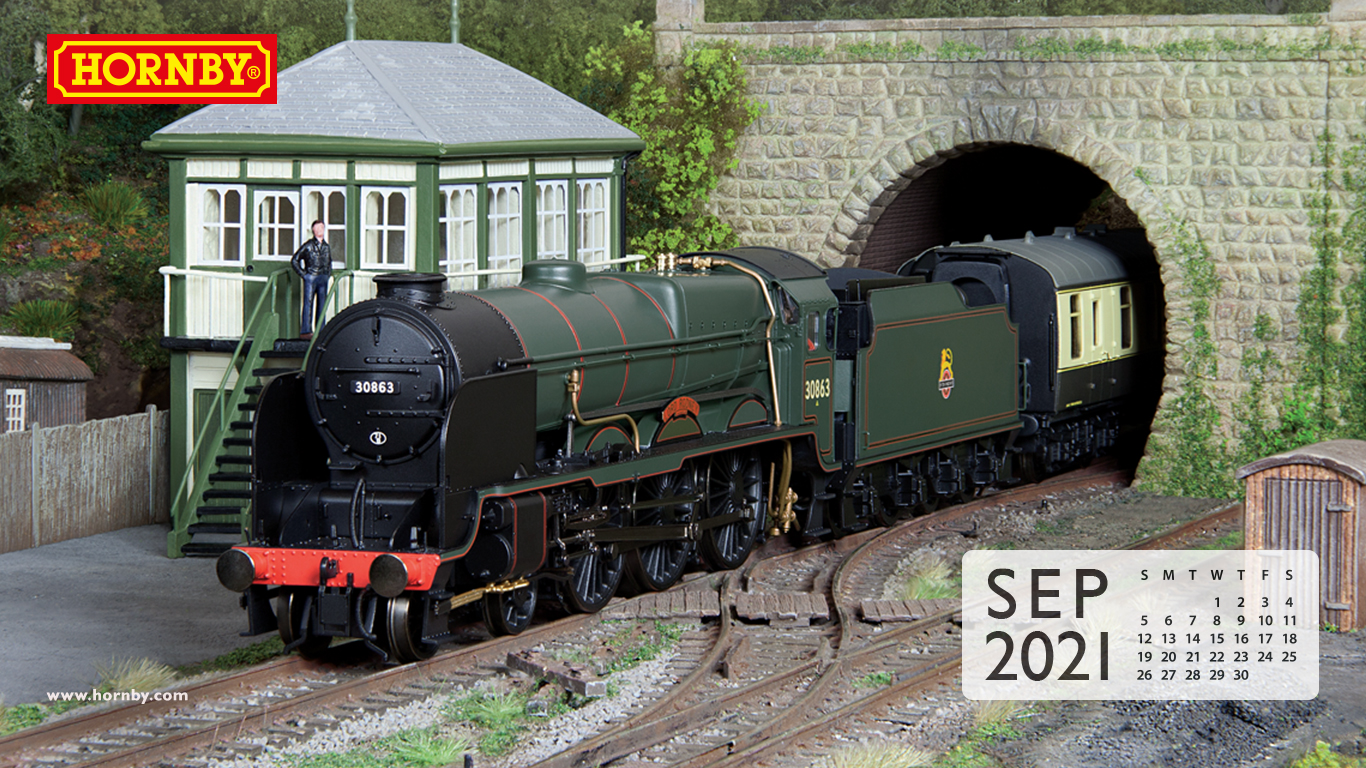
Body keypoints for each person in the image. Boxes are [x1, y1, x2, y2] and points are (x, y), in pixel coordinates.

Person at [292, 220, 331, 339]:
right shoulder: (308, 246)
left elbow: (329, 261)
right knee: (308, 303)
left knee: (322, 304)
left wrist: (328, 274)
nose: (320, 230)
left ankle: (321, 329)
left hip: (322, 277)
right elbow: (295, 260)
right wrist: (304, 275)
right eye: (317, 228)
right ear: (313, 230)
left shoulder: (326, 246)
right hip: (311, 277)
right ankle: (306, 330)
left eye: (321, 228)